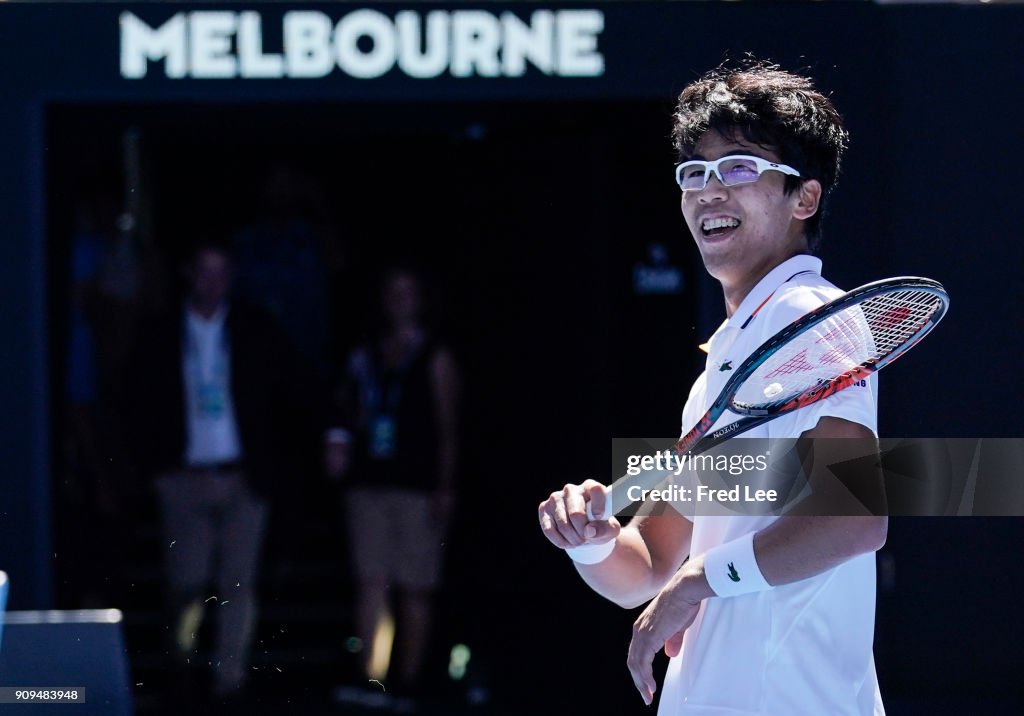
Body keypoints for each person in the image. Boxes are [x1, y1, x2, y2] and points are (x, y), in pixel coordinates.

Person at [538, 62, 887, 715]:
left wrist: (699, 581)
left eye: (739, 168)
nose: (708, 191)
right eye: (694, 173)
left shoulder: (811, 318)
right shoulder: (722, 365)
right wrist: (590, 538)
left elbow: (853, 517)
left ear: (803, 198)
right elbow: (645, 565)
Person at [128, 241, 304, 702]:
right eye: (204, 271)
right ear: (189, 273)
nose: (213, 282)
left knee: (239, 583)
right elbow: (135, 400)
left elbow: (289, 391)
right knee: (186, 583)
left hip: (242, 476)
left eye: (222, 271)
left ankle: (230, 681)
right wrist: (156, 468)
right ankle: (181, 670)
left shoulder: (254, 328)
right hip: (184, 476)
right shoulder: (162, 332)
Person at [325, 266, 459, 706]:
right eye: (392, 291)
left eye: (408, 291)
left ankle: (408, 681)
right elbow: (346, 407)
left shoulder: (435, 355)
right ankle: (372, 682)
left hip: (417, 487)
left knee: (415, 585)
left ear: (421, 298)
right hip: (369, 484)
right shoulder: (367, 352)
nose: (400, 300)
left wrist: (444, 484)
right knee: (371, 582)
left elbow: (446, 424)